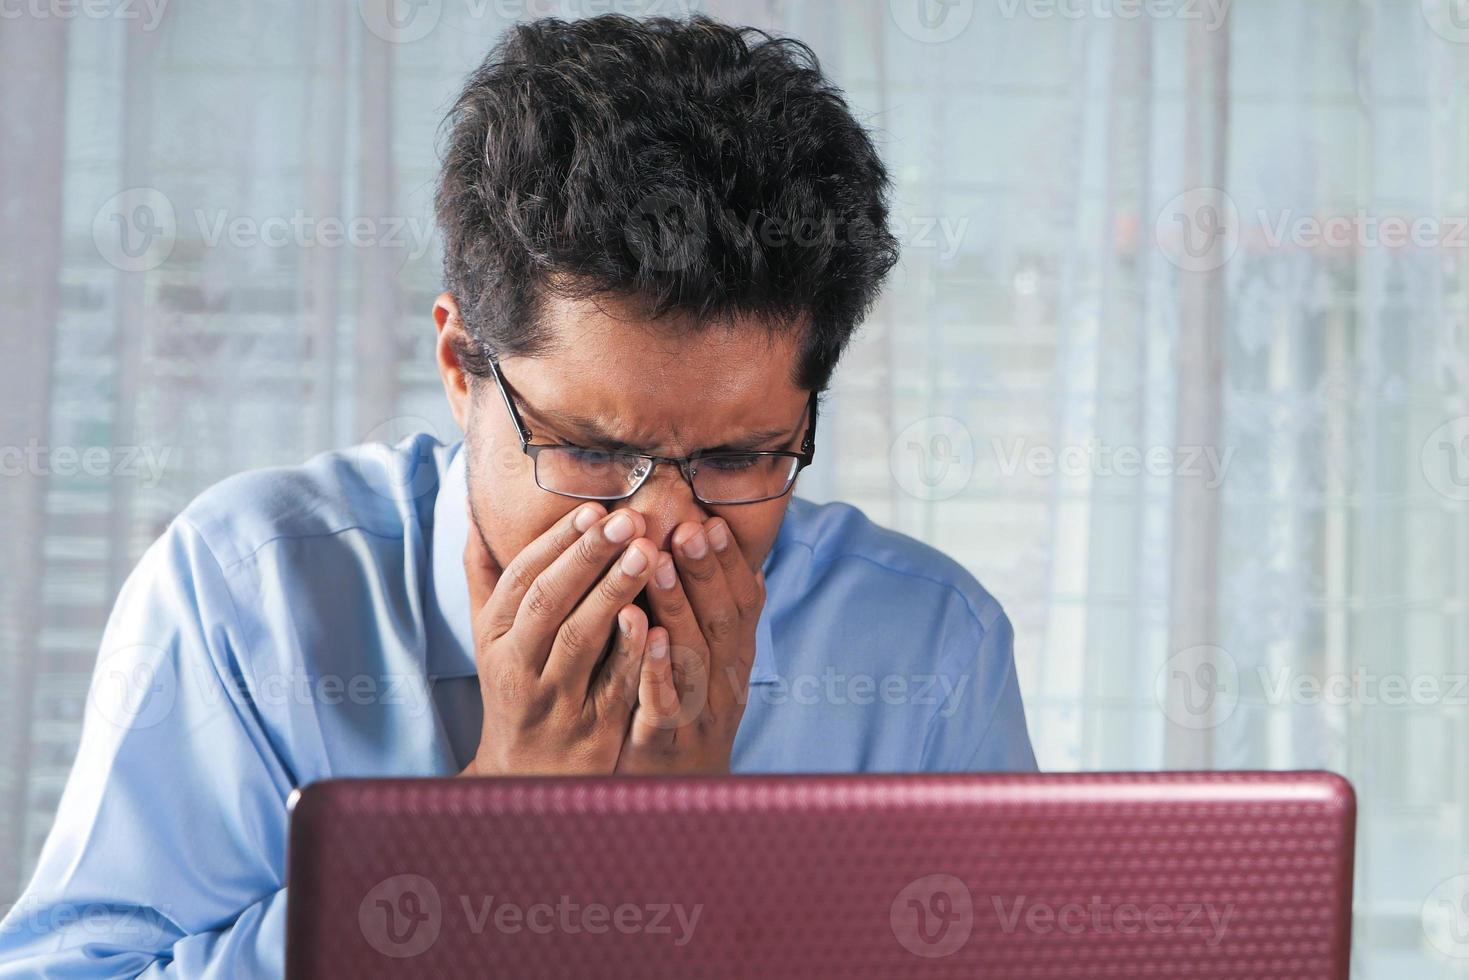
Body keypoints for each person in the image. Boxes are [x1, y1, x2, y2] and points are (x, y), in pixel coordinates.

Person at [0, 14, 1035, 976]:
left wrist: (710, 857)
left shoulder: (926, 648)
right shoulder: (248, 598)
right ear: (460, 364)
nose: (660, 524)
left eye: (737, 456)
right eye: (590, 447)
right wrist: (481, 839)